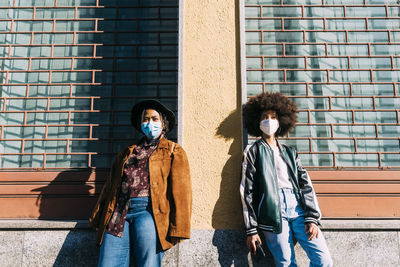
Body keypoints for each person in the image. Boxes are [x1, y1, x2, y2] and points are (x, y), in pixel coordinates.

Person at [89, 100, 192, 267]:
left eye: (154, 119)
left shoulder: (174, 151)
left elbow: (182, 192)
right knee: (108, 262)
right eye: (145, 119)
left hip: (149, 212)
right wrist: (98, 218)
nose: (149, 123)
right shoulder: (127, 152)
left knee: (148, 263)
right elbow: (110, 186)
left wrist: (179, 228)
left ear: (163, 123)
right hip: (118, 212)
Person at [240, 92, 333, 267]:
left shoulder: (290, 152)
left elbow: (305, 185)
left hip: (298, 209)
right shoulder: (252, 151)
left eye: (273, 117)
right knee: (286, 264)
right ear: (257, 122)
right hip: (272, 212)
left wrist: (312, 217)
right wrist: (251, 229)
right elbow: (247, 192)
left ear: (281, 120)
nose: (269, 121)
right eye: (265, 117)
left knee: (324, 261)